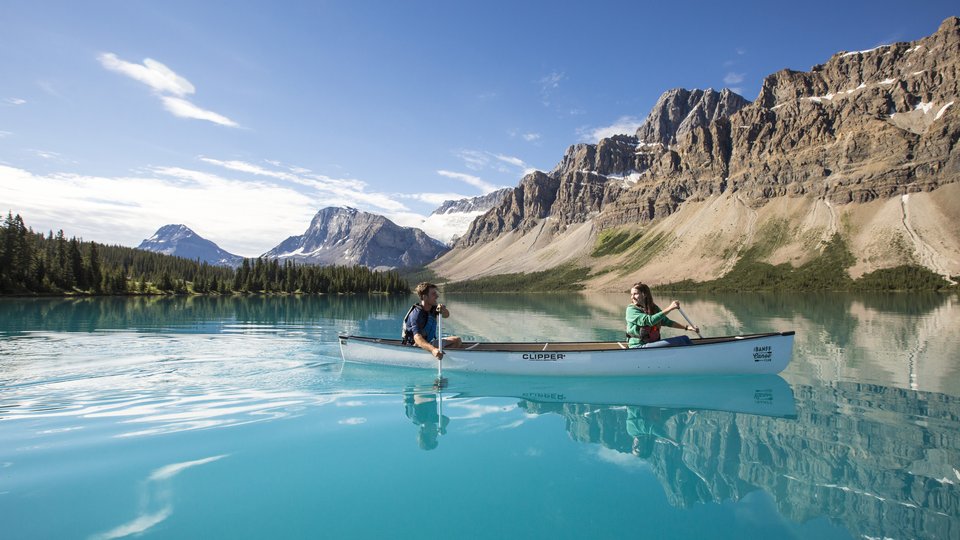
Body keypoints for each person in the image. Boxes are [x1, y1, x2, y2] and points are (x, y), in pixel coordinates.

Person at [625, 282, 699, 348]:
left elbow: (667, 322)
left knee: (685, 338)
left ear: (644, 295)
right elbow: (649, 321)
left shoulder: (653, 308)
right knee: (682, 341)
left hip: (652, 343)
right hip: (638, 346)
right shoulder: (631, 310)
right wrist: (670, 308)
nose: (632, 297)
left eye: (635, 294)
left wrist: (687, 327)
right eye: (631, 294)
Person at [402, 282, 462, 359]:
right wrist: (433, 350)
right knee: (421, 343)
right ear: (424, 297)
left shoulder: (433, 308)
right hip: (416, 346)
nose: (437, 296)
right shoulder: (416, 314)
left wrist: (443, 310)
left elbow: (446, 315)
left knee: (457, 340)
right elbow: (417, 338)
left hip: (429, 342)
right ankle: (437, 354)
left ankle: (444, 357)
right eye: (433, 294)